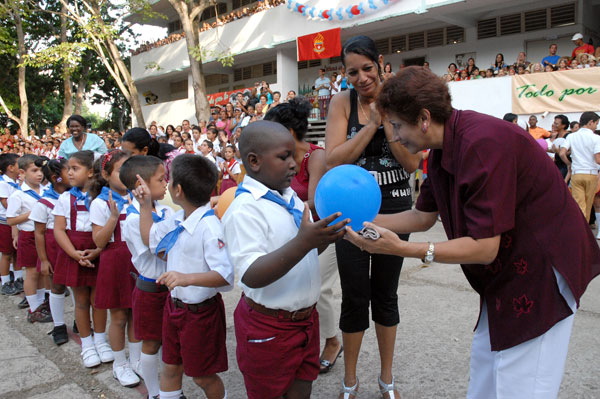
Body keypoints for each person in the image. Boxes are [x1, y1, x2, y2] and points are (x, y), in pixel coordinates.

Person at [346, 66, 600, 399]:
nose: (394, 136)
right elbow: (421, 217)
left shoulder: (481, 143)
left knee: (522, 386)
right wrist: (354, 221)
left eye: (396, 125)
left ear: (423, 118)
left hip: (542, 272)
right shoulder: (440, 150)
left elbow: (483, 248)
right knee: (485, 379)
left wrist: (402, 250)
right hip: (504, 277)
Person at [222, 120, 348, 399]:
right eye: (284, 157)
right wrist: (305, 242)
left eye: (294, 155)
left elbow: (301, 254)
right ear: (254, 161)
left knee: (303, 386)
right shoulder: (245, 210)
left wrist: (322, 240)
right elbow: (251, 273)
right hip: (269, 327)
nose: (294, 164)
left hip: (305, 321)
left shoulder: (290, 198)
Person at [325, 35, 420, 399]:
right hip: (350, 214)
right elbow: (334, 160)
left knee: (386, 295)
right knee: (353, 296)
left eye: (367, 68)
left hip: (395, 208)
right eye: (353, 72)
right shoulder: (341, 103)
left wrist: (388, 119)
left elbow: (411, 162)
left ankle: (386, 378)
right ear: (344, 73)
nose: (362, 78)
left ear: (380, 62)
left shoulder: (399, 99)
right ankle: (350, 378)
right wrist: (370, 125)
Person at [135, 154, 233, 399]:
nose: (166, 184)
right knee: (170, 366)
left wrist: (185, 278)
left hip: (201, 314)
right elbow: (151, 241)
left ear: (177, 190)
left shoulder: (209, 227)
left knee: (202, 376)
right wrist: (145, 205)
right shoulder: (178, 220)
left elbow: (225, 275)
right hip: (175, 308)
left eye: (169, 180)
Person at [264, 97, 343, 374]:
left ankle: (333, 341)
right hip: (291, 233)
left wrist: (277, 206)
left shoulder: (315, 156)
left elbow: (314, 203)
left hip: (323, 232)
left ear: (289, 131)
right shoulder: (275, 158)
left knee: (320, 288)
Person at [120, 155, 174, 399]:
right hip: (152, 290)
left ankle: (171, 389)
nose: (166, 184)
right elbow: (156, 249)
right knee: (151, 344)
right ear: (140, 185)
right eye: (161, 179)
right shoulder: (132, 219)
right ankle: (154, 393)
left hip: (171, 288)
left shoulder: (164, 210)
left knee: (170, 342)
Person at [53, 150, 111, 368]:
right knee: (81, 301)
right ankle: (87, 345)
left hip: (98, 250)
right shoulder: (65, 197)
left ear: (90, 172)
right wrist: (74, 254)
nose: (69, 173)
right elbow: (59, 230)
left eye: (75, 168)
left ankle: (101, 340)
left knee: (99, 300)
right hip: (74, 252)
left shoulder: (102, 197)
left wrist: (97, 249)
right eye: (68, 168)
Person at [89, 150, 142, 387]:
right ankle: (119, 363)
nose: (128, 174)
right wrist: (113, 216)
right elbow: (99, 241)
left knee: (136, 313)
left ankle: (137, 360)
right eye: (122, 170)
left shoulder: (139, 197)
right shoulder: (101, 202)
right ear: (106, 174)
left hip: (137, 260)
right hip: (115, 262)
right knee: (119, 316)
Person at [30, 158, 71, 344]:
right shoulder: (44, 203)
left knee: (79, 287)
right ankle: (59, 325)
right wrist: (44, 260)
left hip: (73, 244)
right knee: (57, 286)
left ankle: (81, 322)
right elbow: (39, 233)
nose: (71, 173)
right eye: (68, 170)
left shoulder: (76, 196)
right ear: (56, 178)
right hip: (54, 248)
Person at [6, 155, 49, 321]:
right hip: (29, 235)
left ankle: (40, 303)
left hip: (44, 235)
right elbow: (11, 220)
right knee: (31, 272)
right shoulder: (18, 195)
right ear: (22, 173)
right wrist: (32, 214)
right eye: (34, 171)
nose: (39, 174)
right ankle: (33, 307)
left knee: (42, 271)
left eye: (41, 171)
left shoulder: (46, 190)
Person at [559, 112, 600, 221]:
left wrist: (569, 164)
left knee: (579, 205)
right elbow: (598, 159)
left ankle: (580, 232)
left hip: (576, 173)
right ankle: (583, 232)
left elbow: (562, 153)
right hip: (591, 173)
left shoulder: (572, 136)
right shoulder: (596, 138)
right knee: (587, 205)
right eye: (596, 123)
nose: (596, 126)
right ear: (591, 122)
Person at [0, 154, 21, 295]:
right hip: (5, 222)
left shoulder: (16, 182)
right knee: (7, 253)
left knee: (17, 252)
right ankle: (5, 281)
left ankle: (19, 278)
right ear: (10, 167)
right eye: (19, 164)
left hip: (17, 221)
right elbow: (5, 202)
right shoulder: (3, 183)